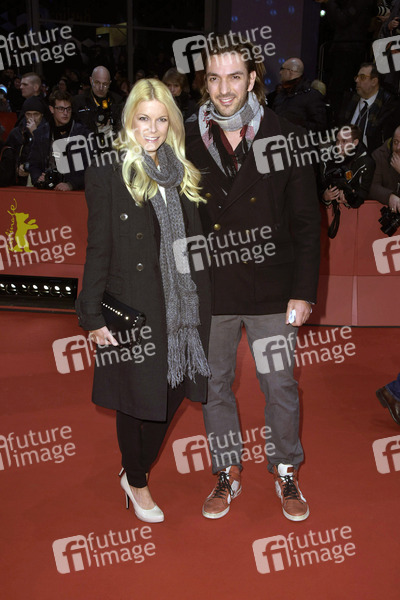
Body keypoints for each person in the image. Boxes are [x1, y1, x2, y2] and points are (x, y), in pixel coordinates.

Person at [185, 36, 321, 522]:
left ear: (252, 80)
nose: (224, 89)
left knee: (279, 385)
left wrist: (303, 292)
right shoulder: (185, 139)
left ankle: (286, 469)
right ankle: (226, 469)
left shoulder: (287, 136)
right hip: (213, 288)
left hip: (272, 290)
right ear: (205, 82)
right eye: (214, 78)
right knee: (215, 386)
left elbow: (307, 223)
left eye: (234, 77)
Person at [75, 78, 211, 523]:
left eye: (161, 119)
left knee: (171, 398)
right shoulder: (109, 172)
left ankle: (133, 469)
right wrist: (91, 314)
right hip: (135, 307)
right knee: (138, 402)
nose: (152, 129)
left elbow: (193, 245)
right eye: (143, 119)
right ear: (129, 121)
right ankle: (136, 480)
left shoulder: (181, 173)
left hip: (181, 310)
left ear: (172, 123)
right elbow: (98, 246)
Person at [320, 124, 376, 237]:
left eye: (344, 141)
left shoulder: (366, 162)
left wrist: (349, 198)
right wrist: (324, 196)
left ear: (355, 142)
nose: (339, 145)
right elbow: (316, 185)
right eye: (337, 141)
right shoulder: (326, 155)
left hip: (355, 223)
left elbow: (364, 193)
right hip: (325, 218)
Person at [28, 90, 89, 191]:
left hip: (74, 191)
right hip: (47, 189)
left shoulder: (82, 134)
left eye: (68, 109)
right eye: (61, 109)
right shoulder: (41, 133)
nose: (65, 113)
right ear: (52, 109)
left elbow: (89, 167)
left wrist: (71, 184)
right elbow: (34, 164)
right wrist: (38, 178)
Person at [339, 63, 400, 153]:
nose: (357, 80)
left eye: (362, 77)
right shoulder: (349, 101)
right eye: (357, 77)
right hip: (344, 154)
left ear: (374, 81)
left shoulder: (389, 107)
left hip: (373, 157)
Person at [72, 66, 123, 157]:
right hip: (86, 153)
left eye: (105, 84)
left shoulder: (117, 101)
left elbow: (124, 130)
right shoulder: (78, 102)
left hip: (111, 152)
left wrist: (114, 133)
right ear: (91, 80)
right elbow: (73, 132)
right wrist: (95, 132)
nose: (101, 87)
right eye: (97, 82)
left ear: (110, 83)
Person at [267, 58, 327, 131]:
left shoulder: (312, 96)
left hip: (298, 137)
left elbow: (320, 126)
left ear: (291, 71)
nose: (280, 73)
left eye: (282, 69)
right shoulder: (281, 94)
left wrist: (298, 124)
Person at [1, 96, 46, 187]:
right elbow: (7, 158)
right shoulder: (16, 133)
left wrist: (35, 134)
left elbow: (47, 157)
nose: (32, 118)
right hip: (17, 182)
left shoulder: (48, 132)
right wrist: (17, 168)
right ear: (24, 114)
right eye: (28, 114)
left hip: (40, 181)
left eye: (36, 114)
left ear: (42, 115)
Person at [370, 125, 400, 213]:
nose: (398, 147)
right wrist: (389, 196)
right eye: (396, 142)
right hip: (382, 212)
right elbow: (372, 186)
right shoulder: (379, 155)